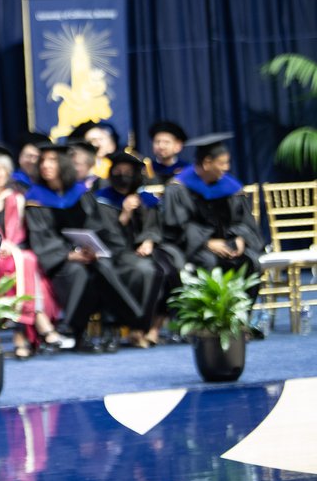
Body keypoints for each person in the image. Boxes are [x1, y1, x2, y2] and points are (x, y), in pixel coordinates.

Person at [25, 143, 148, 351]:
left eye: (52, 160)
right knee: (78, 273)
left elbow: (98, 226)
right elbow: (41, 236)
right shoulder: (35, 198)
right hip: (62, 261)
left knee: (103, 267)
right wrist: (70, 255)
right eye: (43, 161)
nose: (46, 165)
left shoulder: (80, 192)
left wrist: (93, 249)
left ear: (64, 164)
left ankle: (106, 329)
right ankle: (84, 329)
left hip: (89, 254)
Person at [0, 144, 62, 358]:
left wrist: (10, 247)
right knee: (22, 262)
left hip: (15, 254)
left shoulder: (16, 198)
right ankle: (36, 325)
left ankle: (21, 333)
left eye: (3, 170)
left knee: (26, 258)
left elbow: (23, 235)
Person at [162, 133, 262, 288]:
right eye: (222, 163)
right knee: (208, 262)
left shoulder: (231, 187)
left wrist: (240, 238)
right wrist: (207, 243)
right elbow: (177, 227)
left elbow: (244, 221)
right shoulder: (179, 188)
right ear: (207, 163)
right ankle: (209, 312)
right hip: (196, 247)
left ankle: (240, 312)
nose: (226, 168)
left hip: (228, 244)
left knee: (250, 261)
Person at [95, 152, 174, 347]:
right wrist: (125, 213)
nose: (123, 176)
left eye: (128, 172)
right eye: (118, 171)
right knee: (148, 272)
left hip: (148, 251)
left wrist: (149, 240)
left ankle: (154, 327)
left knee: (172, 270)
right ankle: (139, 328)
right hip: (120, 254)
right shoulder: (102, 199)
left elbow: (154, 227)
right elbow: (109, 237)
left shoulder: (146, 198)